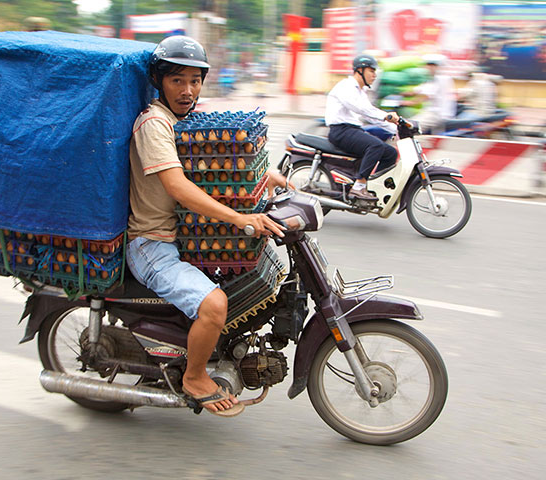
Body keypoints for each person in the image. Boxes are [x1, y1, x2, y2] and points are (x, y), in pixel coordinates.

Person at [126, 35, 289, 417]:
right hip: (153, 244)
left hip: (182, 238)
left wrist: (265, 177)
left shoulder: (184, 121)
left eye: (195, 81)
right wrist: (240, 218)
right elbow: (178, 187)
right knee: (215, 306)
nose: (188, 90)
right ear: (159, 81)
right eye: (177, 81)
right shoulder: (154, 124)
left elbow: (219, 167)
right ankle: (194, 377)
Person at [325, 54, 399, 201]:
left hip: (352, 130)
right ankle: (358, 186)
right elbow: (361, 109)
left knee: (390, 153)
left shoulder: (361, 91)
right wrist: (386, 115)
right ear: (360, 70)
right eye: (371, 71)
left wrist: (397, 129)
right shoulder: (345, 86)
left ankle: (374, 187)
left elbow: (370, 116)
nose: (374, 75)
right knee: (376, 146)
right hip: (340, 131)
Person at [405, 54, 457, 134]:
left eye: (428, 66)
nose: (426, 68)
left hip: (437, 115)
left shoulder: (439, 79)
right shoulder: (435, 78)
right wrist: (401, 93)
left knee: (408, 127)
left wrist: (406, 103)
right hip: (434, 113)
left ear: (434, 66)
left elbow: (424, 96)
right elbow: (418, 90)